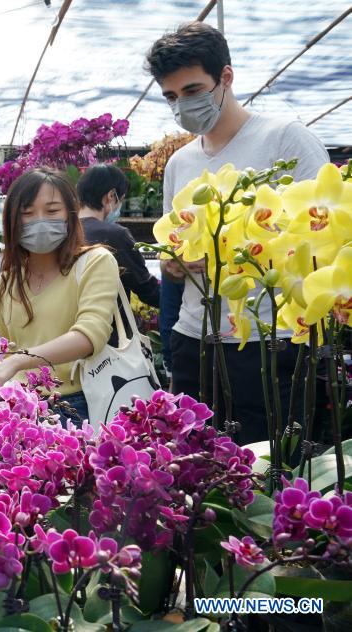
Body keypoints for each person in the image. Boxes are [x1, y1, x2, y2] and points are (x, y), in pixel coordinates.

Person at [146, 21, 329, 444]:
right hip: (195, 337)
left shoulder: (285, 141)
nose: (182, 106)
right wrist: (172, 263)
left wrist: (236, 252)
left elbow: (323, 244)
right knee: (195, 471)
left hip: (269, 339)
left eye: (192, 91)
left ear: (226, 77)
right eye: (171, 97)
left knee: (266, 471)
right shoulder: (180, 164)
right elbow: (172, 242)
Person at [0, 168, 120, 423]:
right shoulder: (4, 284)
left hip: (78, 405)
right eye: (27, 213)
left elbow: (91, 335)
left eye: (52, 211)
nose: (40, 221)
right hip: (19, 410)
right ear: (13, 221)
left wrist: (19, 361)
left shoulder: (94, 263)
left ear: (70, 215)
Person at [77, 165, 159, 308]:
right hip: (106, 325)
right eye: (121, 200)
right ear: (111, 196)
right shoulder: (115, 235)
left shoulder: (64, 230)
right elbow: (148, 290)